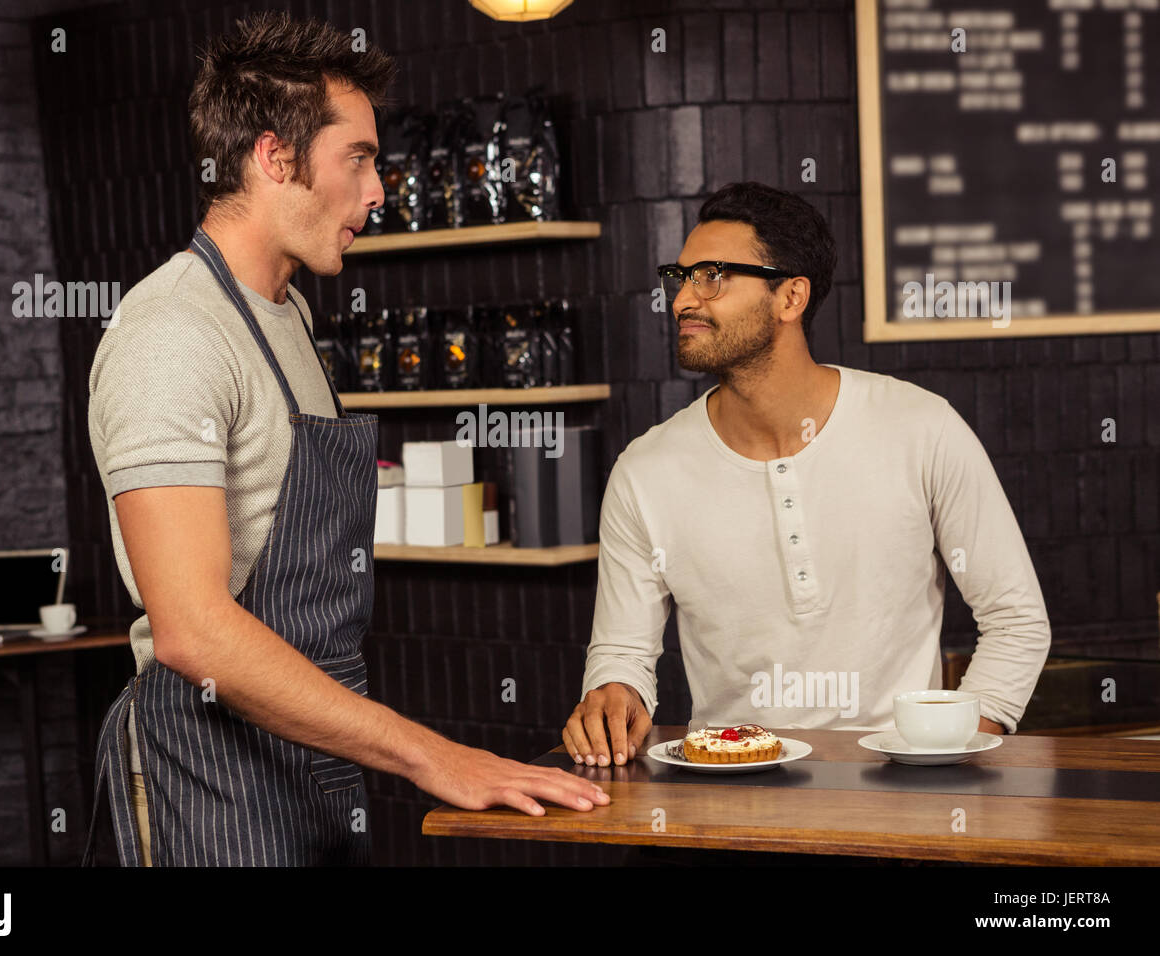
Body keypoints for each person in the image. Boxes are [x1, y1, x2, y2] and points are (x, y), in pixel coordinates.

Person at [82, 13, 606, 867]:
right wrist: (431, 753)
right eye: (357, 158)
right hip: (206, 772)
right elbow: (192, 633)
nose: (379, 192)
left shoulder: (286, 314)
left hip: (310, 758)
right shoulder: (171, 332)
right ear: (273, 157)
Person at [562, 181, 1051, 766]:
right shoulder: (645, 472)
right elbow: (623, 650)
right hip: (726, 798)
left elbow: (1015, 618)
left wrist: (952, 746)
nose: (682, 301)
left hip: (901, 802)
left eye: (712, 276)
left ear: (791, 297)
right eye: (681, 277)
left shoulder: (921, 428)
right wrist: (615, 692)